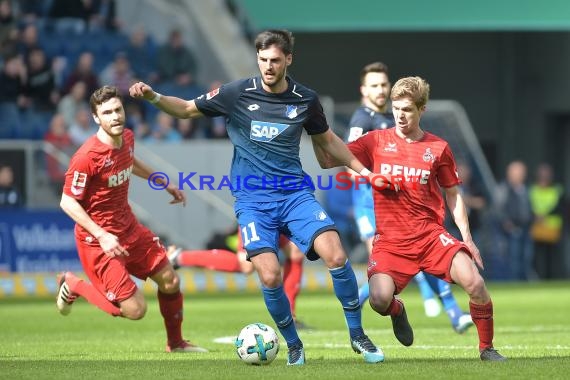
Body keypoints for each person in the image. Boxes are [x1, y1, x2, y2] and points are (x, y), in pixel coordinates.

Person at [130, 29, 384, 365]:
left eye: (275, 60)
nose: (267, 66)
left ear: (288, 60)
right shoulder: (236, 93)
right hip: (253, 202)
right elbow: (187, 109)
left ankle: (358, 336)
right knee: (268, 274)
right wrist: (154, 97)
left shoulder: (304, 99)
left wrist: (364, 172)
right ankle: (293, 344)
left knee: (336, 255)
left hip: (295, 194)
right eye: (263, 60)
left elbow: (329, 142)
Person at [347, 76, 506, 361]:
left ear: (422, 109)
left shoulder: (439, 148)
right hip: (391, 242)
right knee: (379, 300)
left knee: (475, 283)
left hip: (431, 237)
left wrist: (467, 238)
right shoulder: (375, 141)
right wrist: (366, 173)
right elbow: (337, 155)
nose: (400, 115)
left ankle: (487, 349)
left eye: (407, 109)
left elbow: (453, 194)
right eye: (396, 108)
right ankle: (398, 310)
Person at [56, 85, 207, 353]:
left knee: (170, 281)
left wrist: (163, 182)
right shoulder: (86, 157)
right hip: (98, 241)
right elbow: (67, 201)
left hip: (130, 230)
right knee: (136, 310)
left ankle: (176, 343)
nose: (115, 116)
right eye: (107, 113)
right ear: (95, 118)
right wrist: (101, 235)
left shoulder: (126, 136)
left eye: (118, 110)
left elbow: (129, 161)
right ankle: (74, 284)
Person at [346, 62, 473, 333]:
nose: (380, 90)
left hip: (403, 205)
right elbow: (347, 161)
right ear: (363, 90)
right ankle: (360, 306)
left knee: (423, 250)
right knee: (382, 264)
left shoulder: (391, 119)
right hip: (371, 204)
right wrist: (371, 176)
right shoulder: (363, 119)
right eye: (374, 85)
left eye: (383, 84)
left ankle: (449, 310)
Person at [167, 233, 310, 328]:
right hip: (257, 208)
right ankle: (179, 257)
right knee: (246, 266)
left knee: (295, 252)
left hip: (279, 207)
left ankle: (289, 315)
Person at [495, 160, 534, 281]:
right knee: (514, 259)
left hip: (527, 228)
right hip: (511, 230)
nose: (521, 174)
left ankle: (523, 281)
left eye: (522, 172)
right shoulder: (503, 188)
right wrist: (506, 222)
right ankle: (514, 282)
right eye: (518, 172)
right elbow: (498, 209)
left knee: (527, 257)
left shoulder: (527, 188)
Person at [529, 163, 564, 279]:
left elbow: (560, 208)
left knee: (552, 258)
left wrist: (544, 215)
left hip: (552, 230)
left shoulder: (557, 190)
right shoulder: (533, 190)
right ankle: (540, 278)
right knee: (538, 257)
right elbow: (529, 206)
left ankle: (552, 278)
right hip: (537, 229)